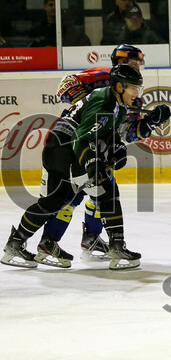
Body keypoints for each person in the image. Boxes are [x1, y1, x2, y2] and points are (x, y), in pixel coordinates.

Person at [2, 63, 169, 270]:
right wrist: (93, 164)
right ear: (119, 87)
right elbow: (82, 138)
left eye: (139, 88)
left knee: (55, 201)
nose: (137, 93)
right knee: (107, 191)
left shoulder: (115, 104)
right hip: (67, 148)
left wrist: (128, 140)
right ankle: (116, 246)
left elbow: (110, 133)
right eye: (134, 88)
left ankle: (15, 243)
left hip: (57, 146)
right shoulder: (105, 101)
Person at [30, 44, 149, 266]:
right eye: (133, 61)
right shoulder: (103, 76)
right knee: (74, 196)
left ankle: (90, 238)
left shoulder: (133, 89)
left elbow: (126, 132)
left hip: (100, 147)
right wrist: (90, 102)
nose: (137, 66)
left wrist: (150, 123)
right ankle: (50, 240)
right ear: (120, 61)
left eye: (139, 62)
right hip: (78, 143)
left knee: (98, 195)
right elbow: (65, 87)